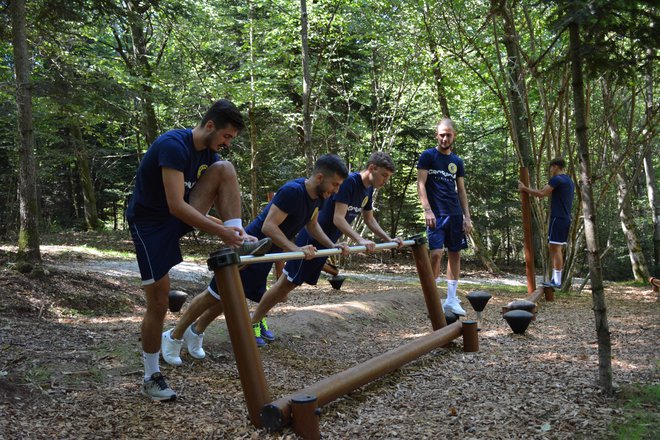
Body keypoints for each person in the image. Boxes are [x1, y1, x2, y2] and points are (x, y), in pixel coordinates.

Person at [126, 99, 269, 402]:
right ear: (209, 126)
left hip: (175, 218)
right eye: (226, 136)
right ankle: (150, 376)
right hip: (150, 225)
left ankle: (241, 238)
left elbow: (195, 204)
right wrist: (219, 231)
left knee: (225, 168)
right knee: (159, 301)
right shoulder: (173, 146)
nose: (226, 143)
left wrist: (232, 230)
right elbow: (176, 205)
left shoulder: (210, 154)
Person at [161, 154, 349, 363]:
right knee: (213, 294)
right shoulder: (293, 192)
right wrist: (295, 248)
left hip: (266, 255)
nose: (337, 190)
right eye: (335, 184)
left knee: (230, 299)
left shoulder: (318, 199)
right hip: (249, 249)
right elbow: (269, 226)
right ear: (321, 177)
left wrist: (333, 246)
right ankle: (173, 335)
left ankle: (195, 331)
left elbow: (312, 225)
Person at [249, 151, 404, 345]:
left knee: (290, 285)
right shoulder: (349, 182)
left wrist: (389, 239)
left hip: (327, 242)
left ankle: (259, 318)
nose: (385, 180)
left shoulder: (368, 190)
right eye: (384, 175)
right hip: (313, 240)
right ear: (372, 168)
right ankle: (254, 321)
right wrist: (360, 239)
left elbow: (369, 219)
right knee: (286, 283)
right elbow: (338, 218)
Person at [416, 118, 473, 316]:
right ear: (436, 135)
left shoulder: (457, 161)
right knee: (436, 253)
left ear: (453, 136)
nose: (444, 138)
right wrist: (427, 210)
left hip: (455, 214)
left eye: (448, 135)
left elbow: (462, 191)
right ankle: (432, 297)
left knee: (455, 253)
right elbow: (421, 184)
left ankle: (451, 299)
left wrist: (467, 217)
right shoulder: (428, 156)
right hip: (436, 215)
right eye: (441, 134)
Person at [518, 157, 574, 289]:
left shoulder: (557, 179)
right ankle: (556, 279)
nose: (550, 170)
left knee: (555, 248)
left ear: (555, 166)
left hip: (558, 218)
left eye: (550, 167)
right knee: (555, 247)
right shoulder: (569, 180)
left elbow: (542, 193)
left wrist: (525, 188)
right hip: (565, 218)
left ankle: (557, 281)